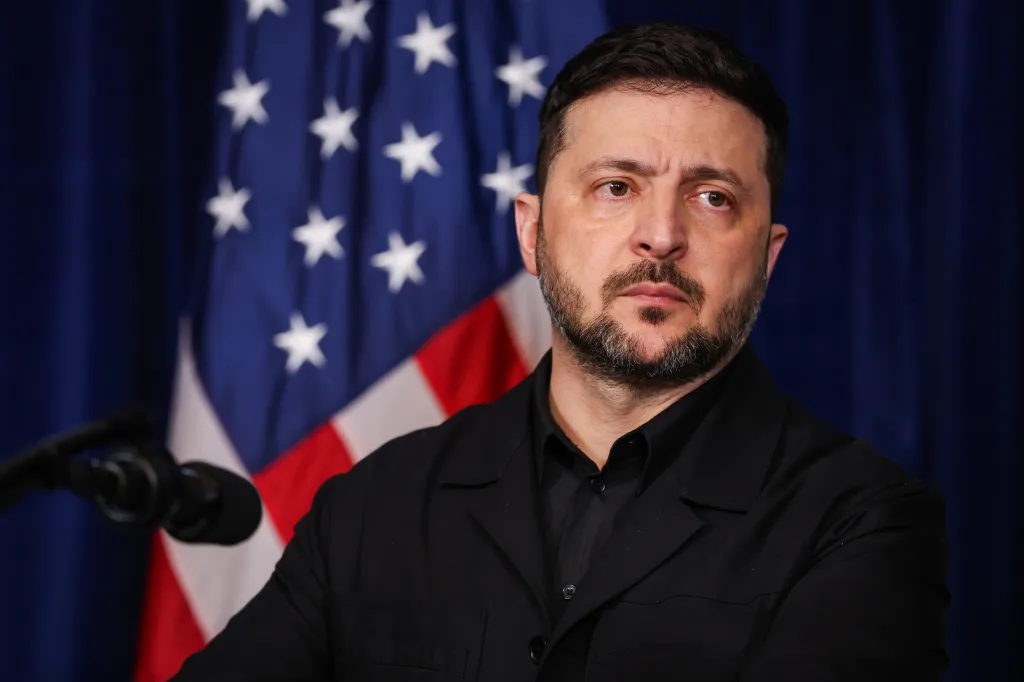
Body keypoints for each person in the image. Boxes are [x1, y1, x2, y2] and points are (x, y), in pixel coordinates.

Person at [172, 21, 948, 682]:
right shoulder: (374, 506)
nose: (662, 235)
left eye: (713, 198)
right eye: (617, 186)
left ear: (768, 257)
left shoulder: (860, 523)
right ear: (532, 232)